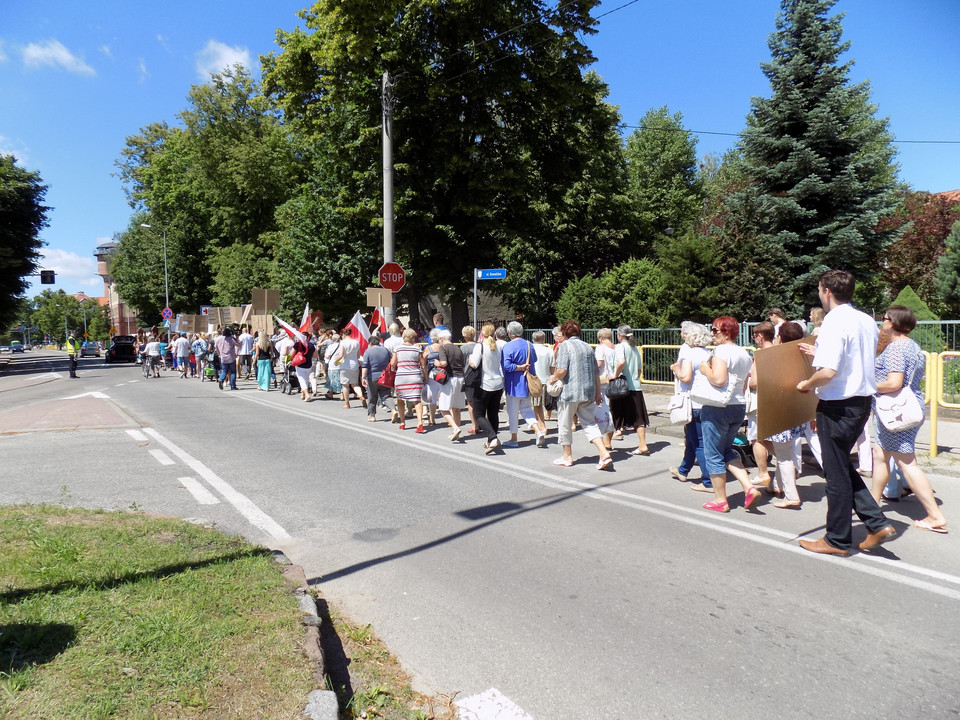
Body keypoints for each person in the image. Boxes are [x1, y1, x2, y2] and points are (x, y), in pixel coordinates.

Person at [796, 269, 896, 556]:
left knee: (836, 475)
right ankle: (877, 524)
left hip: (837, 406)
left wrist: (807, 384)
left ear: (827, 291)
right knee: (841, 466)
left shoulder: (832, 322)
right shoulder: (865, 320)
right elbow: (857, 357)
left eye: (819, 290)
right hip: (862, 403)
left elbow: (828, 372)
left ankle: (836, 539)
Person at [870, 305, 948, 533]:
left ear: (893, 323)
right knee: (880, 454)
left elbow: (894, 383)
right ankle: (873, 504)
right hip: (904, 408)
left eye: (884, 319)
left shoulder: (895, 348)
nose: (881, 323)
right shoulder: (912, 346)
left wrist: (868, 386)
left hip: (895, 411)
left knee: (907, 463)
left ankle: (935, 516)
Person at [698, 316, 757, 512]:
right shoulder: (743, 353)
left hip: (717, 407)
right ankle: (749, 487)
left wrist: (706, 369)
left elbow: (719, 379)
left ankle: (720, 500)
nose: (712, 334)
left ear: (726, 332)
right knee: (726, 451)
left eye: (715, 330)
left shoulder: (720, 351)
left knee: (713, 454)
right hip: (738, 406)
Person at [548, 320, 613, 470]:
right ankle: (603, 453)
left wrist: (552, 378)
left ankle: (567, 456)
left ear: (565, 333)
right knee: (590, 423)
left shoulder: (565, 346)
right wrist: (598, 393)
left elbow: (562, 370)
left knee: (564, 424)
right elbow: (596, 373)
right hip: (588, 391)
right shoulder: (588, 347)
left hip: (570, 393)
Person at [669, 322, 711, 486]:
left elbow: (685, 378)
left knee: (699, 442)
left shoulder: (690, 354)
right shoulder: (708, 353)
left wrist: (676, 369)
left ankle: (708, 481)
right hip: (707, 401)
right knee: (693, 439)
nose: (682, 335)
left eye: (685, 333)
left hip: (693, 402)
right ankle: (683, 470)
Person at [501, 321, 546, 448]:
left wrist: (518, 367)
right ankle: (538, 431)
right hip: (527, 383)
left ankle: (513, 438)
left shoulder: (508, 346)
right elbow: (534, 359)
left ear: (510, 333)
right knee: (527, 409)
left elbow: (506, 365)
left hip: (513, 384)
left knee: (513, 411)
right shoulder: (528, 344)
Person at [611, 325, 650, 456]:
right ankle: (643, 443)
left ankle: (606, 442)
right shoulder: (635, 349)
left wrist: (615, 375)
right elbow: (639, 370)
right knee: (639, 418)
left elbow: (621, 362)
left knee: (615, 413)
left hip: (622, 386)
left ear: (620, 336)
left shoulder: (620, 347)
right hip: (635, 386)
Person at [468, 323, 506, 454]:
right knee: (493, 413)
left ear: (482, 333)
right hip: (498, 383)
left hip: (484, 384)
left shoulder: (480, 346)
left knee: (478, 414)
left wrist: (469, 360)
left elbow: (474, 364)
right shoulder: (497, 347)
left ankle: (493, 437)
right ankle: (491, 440)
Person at [390, 328, 426, 432]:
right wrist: (426, 378)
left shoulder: (398, 349)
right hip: (415, 377)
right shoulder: (417, 349)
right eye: (414, 337)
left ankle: (402, 422)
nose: (415, 339)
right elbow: (423, 365)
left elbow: (393, 363)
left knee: (400, 400)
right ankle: (419, 422)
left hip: (401, 377)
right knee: (417, 401)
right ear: (411, 338)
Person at [435, 329, 467, 440]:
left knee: (443, 408)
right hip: (460, 378)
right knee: (456, 407)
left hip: (449, 378)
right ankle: (456, 431)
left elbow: (443, 363)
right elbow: (463, 366)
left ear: (441, 339)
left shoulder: (443, 348)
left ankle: (455, 428)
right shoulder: (458, 349)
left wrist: (437, 363)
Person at [360, 334, 395, 422]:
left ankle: (372, 416)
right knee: (386, 395)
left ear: (370, 343)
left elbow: (365, 366)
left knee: (372, 396)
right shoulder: (385, 350)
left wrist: (363, 377)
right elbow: (393, 360)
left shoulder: (368, 352)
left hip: (372, 377)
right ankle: (393, 410)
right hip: (384, 376)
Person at [594, 328, 618, 451]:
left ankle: (602, 439)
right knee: (612, 410)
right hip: (615, 381)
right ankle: (608, 440)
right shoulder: (615, 347)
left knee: (603, 410)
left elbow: (599, 364)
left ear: (600, 338)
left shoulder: (600, 348)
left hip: (603, 382)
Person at [530, 331, 554, 440]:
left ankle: (542, 425)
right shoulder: (549, 350)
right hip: (546, 379)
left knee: (537, 405)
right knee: (545, 404)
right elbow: (552, 367)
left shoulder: (530, 349)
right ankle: (540, 424)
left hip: (534, 380)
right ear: (543, 339)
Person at [333, 328, 364, 408]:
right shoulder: (356, 342)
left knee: (345, 385)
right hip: (354, 365)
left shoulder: (342, 343)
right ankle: (361, 395)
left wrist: (335, 361)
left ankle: (347, 403)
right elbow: (358, 355)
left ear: (343, 334)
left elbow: (341, 355)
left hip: (344, 365)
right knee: (355, 384)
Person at [460, 326, 481, 433]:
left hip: (468, 376)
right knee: (480, 401)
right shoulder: (480, 346)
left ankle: (474, 425)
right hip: (480, 375)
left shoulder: (463, 349)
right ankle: (481, 422)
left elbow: (462, 364)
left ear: (464, 336)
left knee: (471, 402)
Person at [293, 331, 315, 402]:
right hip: (309, 365)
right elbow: (315, 356)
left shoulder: (297, 344)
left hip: (300, 365)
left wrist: (287, 360)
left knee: (302, 381)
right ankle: (303, 394)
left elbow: (291, 354)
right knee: (305, 380)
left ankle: (307, 395)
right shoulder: (311, 345)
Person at [215, 326, 239, 390]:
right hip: (231, 357)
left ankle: (221, 379)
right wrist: (236, 337)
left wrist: (219, 354)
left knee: (225, 370)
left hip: (223, 357)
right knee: (233, 372)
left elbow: (216, 348)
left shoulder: (218, 339)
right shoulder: (231, 339)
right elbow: (238, 344)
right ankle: (233, 386)